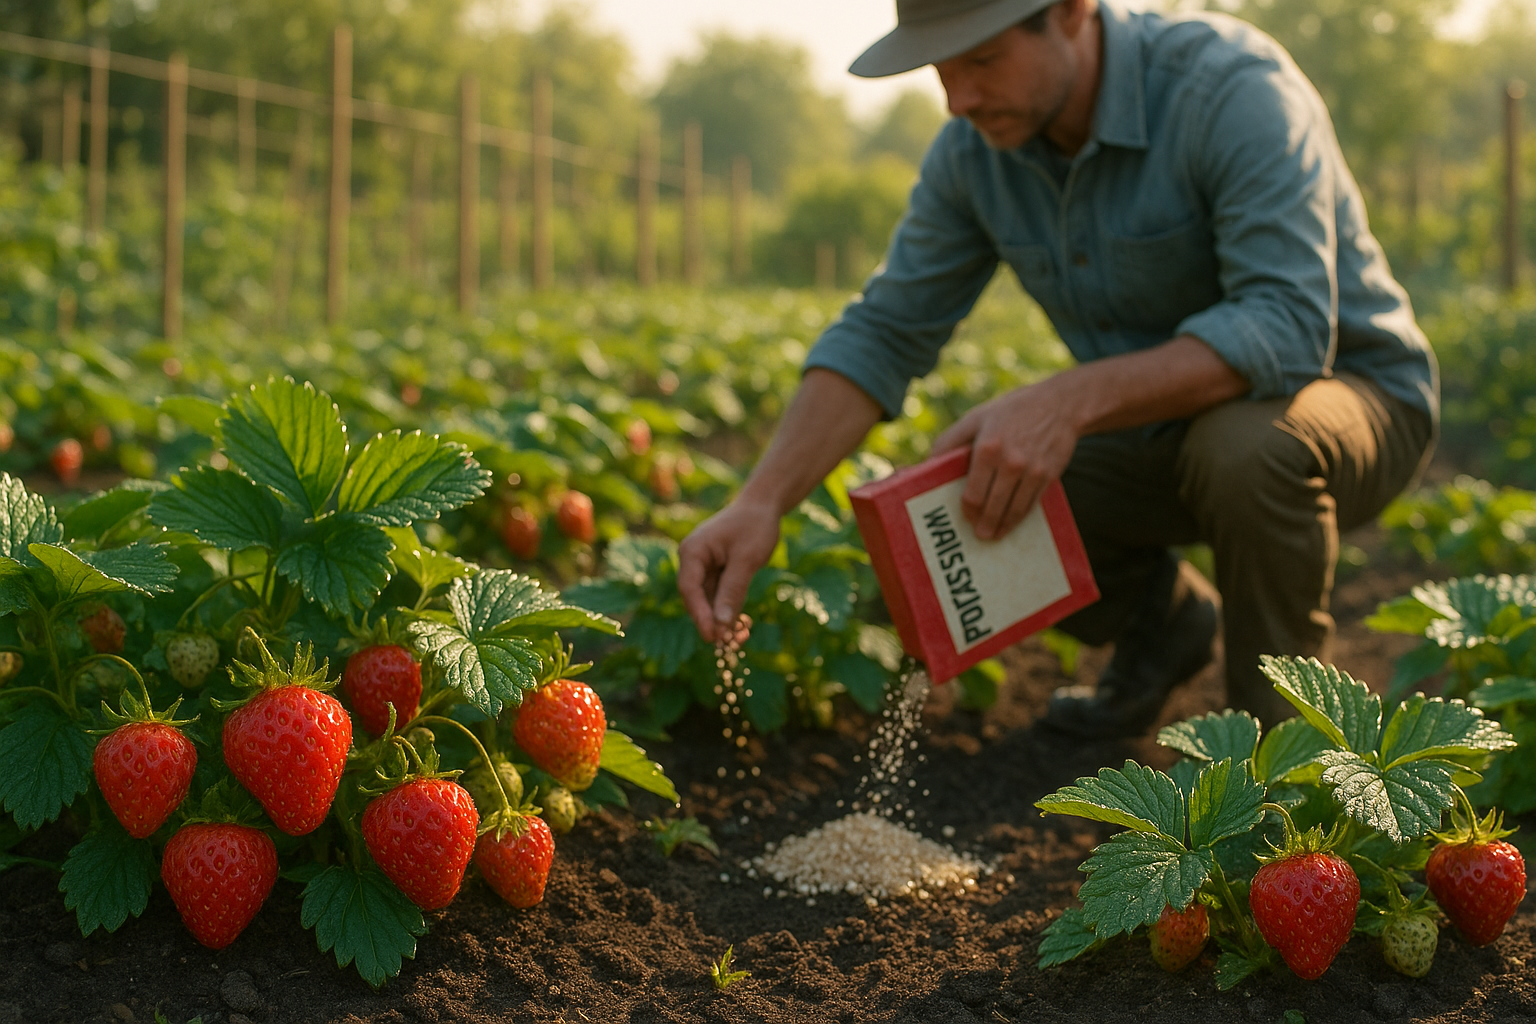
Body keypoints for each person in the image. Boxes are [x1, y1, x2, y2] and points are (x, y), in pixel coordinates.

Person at [677, 0, 1437, 735]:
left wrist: (1068, 401)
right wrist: (762, 501)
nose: (959, 98)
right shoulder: (976, 154)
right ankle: (1163, 624)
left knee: (1244, 448)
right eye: (941, 68)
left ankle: (1287, 767)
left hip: (1351, 398)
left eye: (983, 58)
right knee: (976, 489)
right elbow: (885, 330)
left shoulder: (1229, 90)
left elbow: (1288, 324)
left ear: (1073, 10)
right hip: (1160, 423)